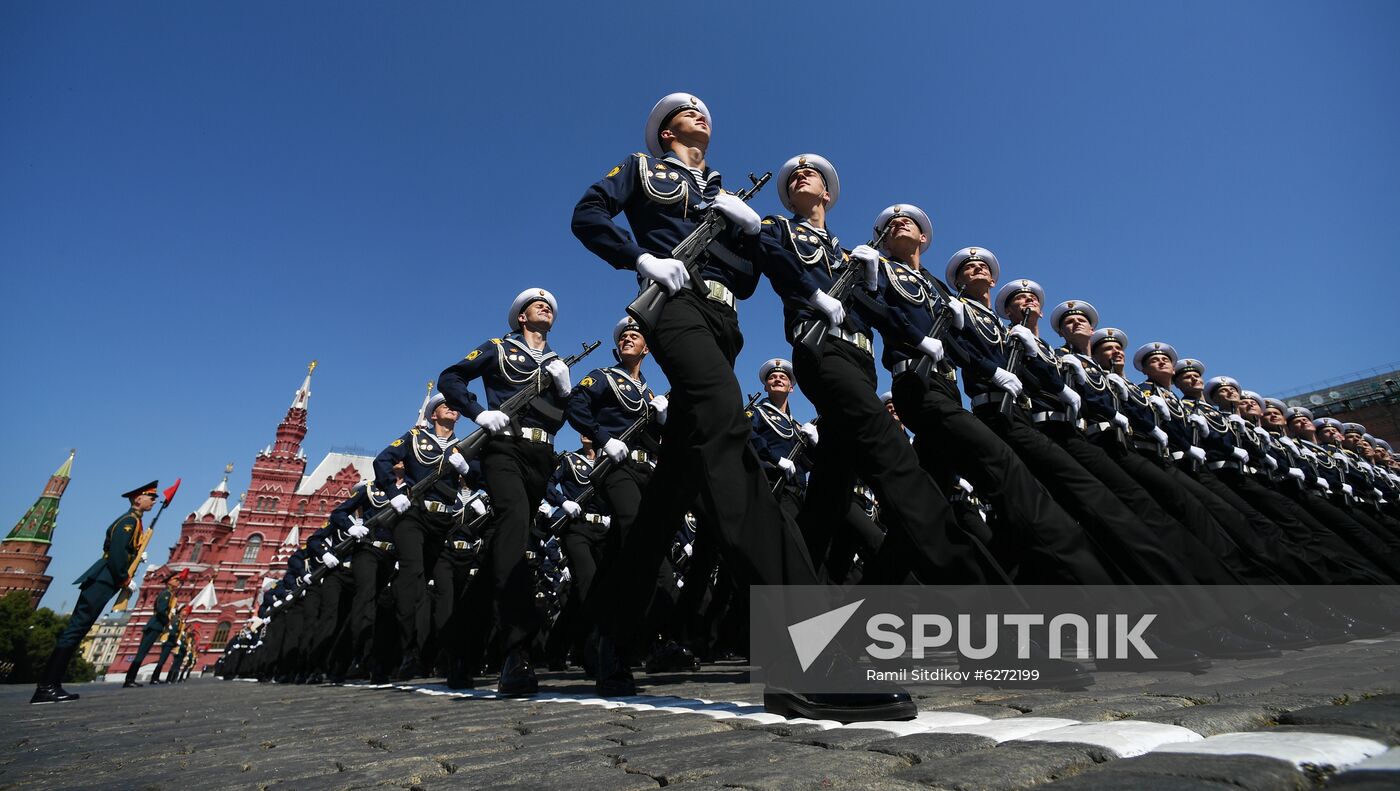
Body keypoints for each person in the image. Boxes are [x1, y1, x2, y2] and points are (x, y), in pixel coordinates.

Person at [572, 94, 911, 721]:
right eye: (686, 113)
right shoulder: (644, 171)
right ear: (667, 131)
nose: (700, 116)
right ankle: (805, 656)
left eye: (704, 112)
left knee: (671, 493)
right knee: (731, 435)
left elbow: (764, 272)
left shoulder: (727, 195)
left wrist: (754, 229)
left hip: (724, 327)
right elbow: (588, 214)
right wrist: (640, 257)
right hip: (672, 308)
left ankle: (608, 633)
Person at [439, 287, 573, 695]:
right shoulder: (498, 348)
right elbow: (451, 376)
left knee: (505, 546)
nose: (545, 306)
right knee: (514, 521)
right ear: (521, 318)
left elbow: (559, 420)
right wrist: (480, 411)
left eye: (549, 304)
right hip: (503, 449)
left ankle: (461, 649)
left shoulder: (556, 363)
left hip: (541, 457)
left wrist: (565, 391)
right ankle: (516, 652)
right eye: (537, 304)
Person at [32, 481, 158, 704]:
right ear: (138, 498)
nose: (154, 500)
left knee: (79, 630)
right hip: (103, 579)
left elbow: (125, 551)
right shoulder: (128, 521)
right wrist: (124, 577)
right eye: (151, 496)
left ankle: (51, 685)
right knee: (75, 630)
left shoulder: (135, 522)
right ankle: (46, 686)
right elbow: (118, 553)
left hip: (106, 579)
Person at [123, 569, 184, 687]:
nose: (178, 582)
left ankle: (131, 679)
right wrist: (167, 622)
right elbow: (161, 611)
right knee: (142, 653)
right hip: (155, 625)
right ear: (169, 581)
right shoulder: (166, 594)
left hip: (157, 626)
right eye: (176, 580)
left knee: (143, 652)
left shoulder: (170, 595)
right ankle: (129, 680)